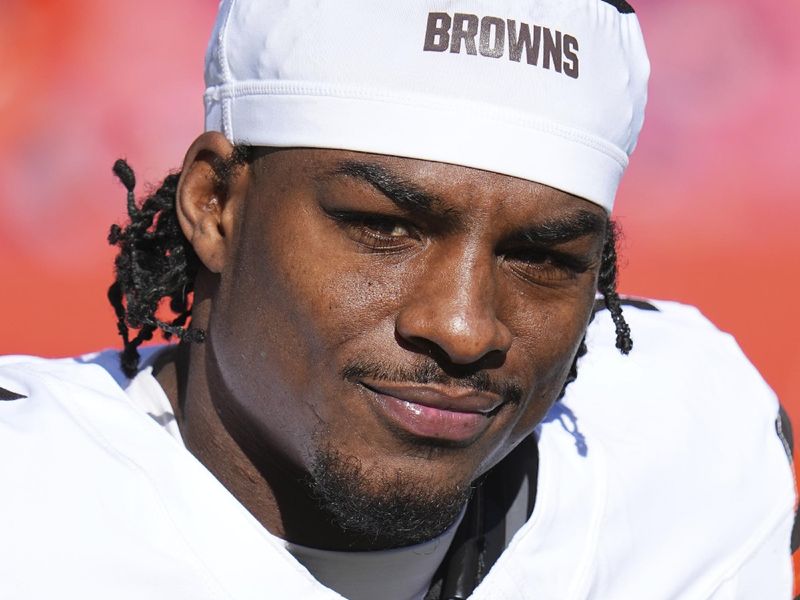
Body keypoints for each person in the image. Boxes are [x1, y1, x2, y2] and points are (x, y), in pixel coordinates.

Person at [0, 0, 795, 598]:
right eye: (384, 227)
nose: (461, 325)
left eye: (540, 256)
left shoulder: (690, 457)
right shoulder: (28, 502)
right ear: (216, 205)